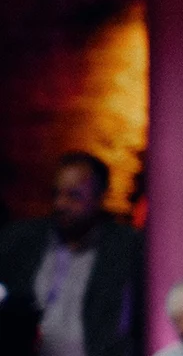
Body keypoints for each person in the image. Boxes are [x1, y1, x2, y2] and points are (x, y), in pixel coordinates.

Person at [0, 151, 144, 356]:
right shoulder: (21, 241)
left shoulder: (125, 249)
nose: (61, 204)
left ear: (99, 197)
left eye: (73, 195)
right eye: (56, 194)